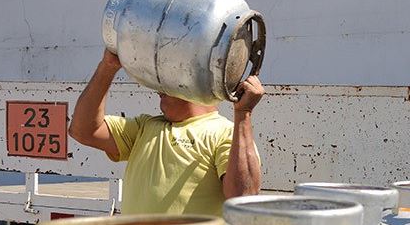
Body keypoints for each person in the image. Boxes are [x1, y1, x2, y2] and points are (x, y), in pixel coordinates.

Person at [68, 49, 264, 216]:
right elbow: (82, 131)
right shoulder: (145, 127)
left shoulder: (225, 133)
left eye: (170, 79)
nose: (159, 89)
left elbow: (243, 199)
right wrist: (107, 67)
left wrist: (243, 113)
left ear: (194, 85)